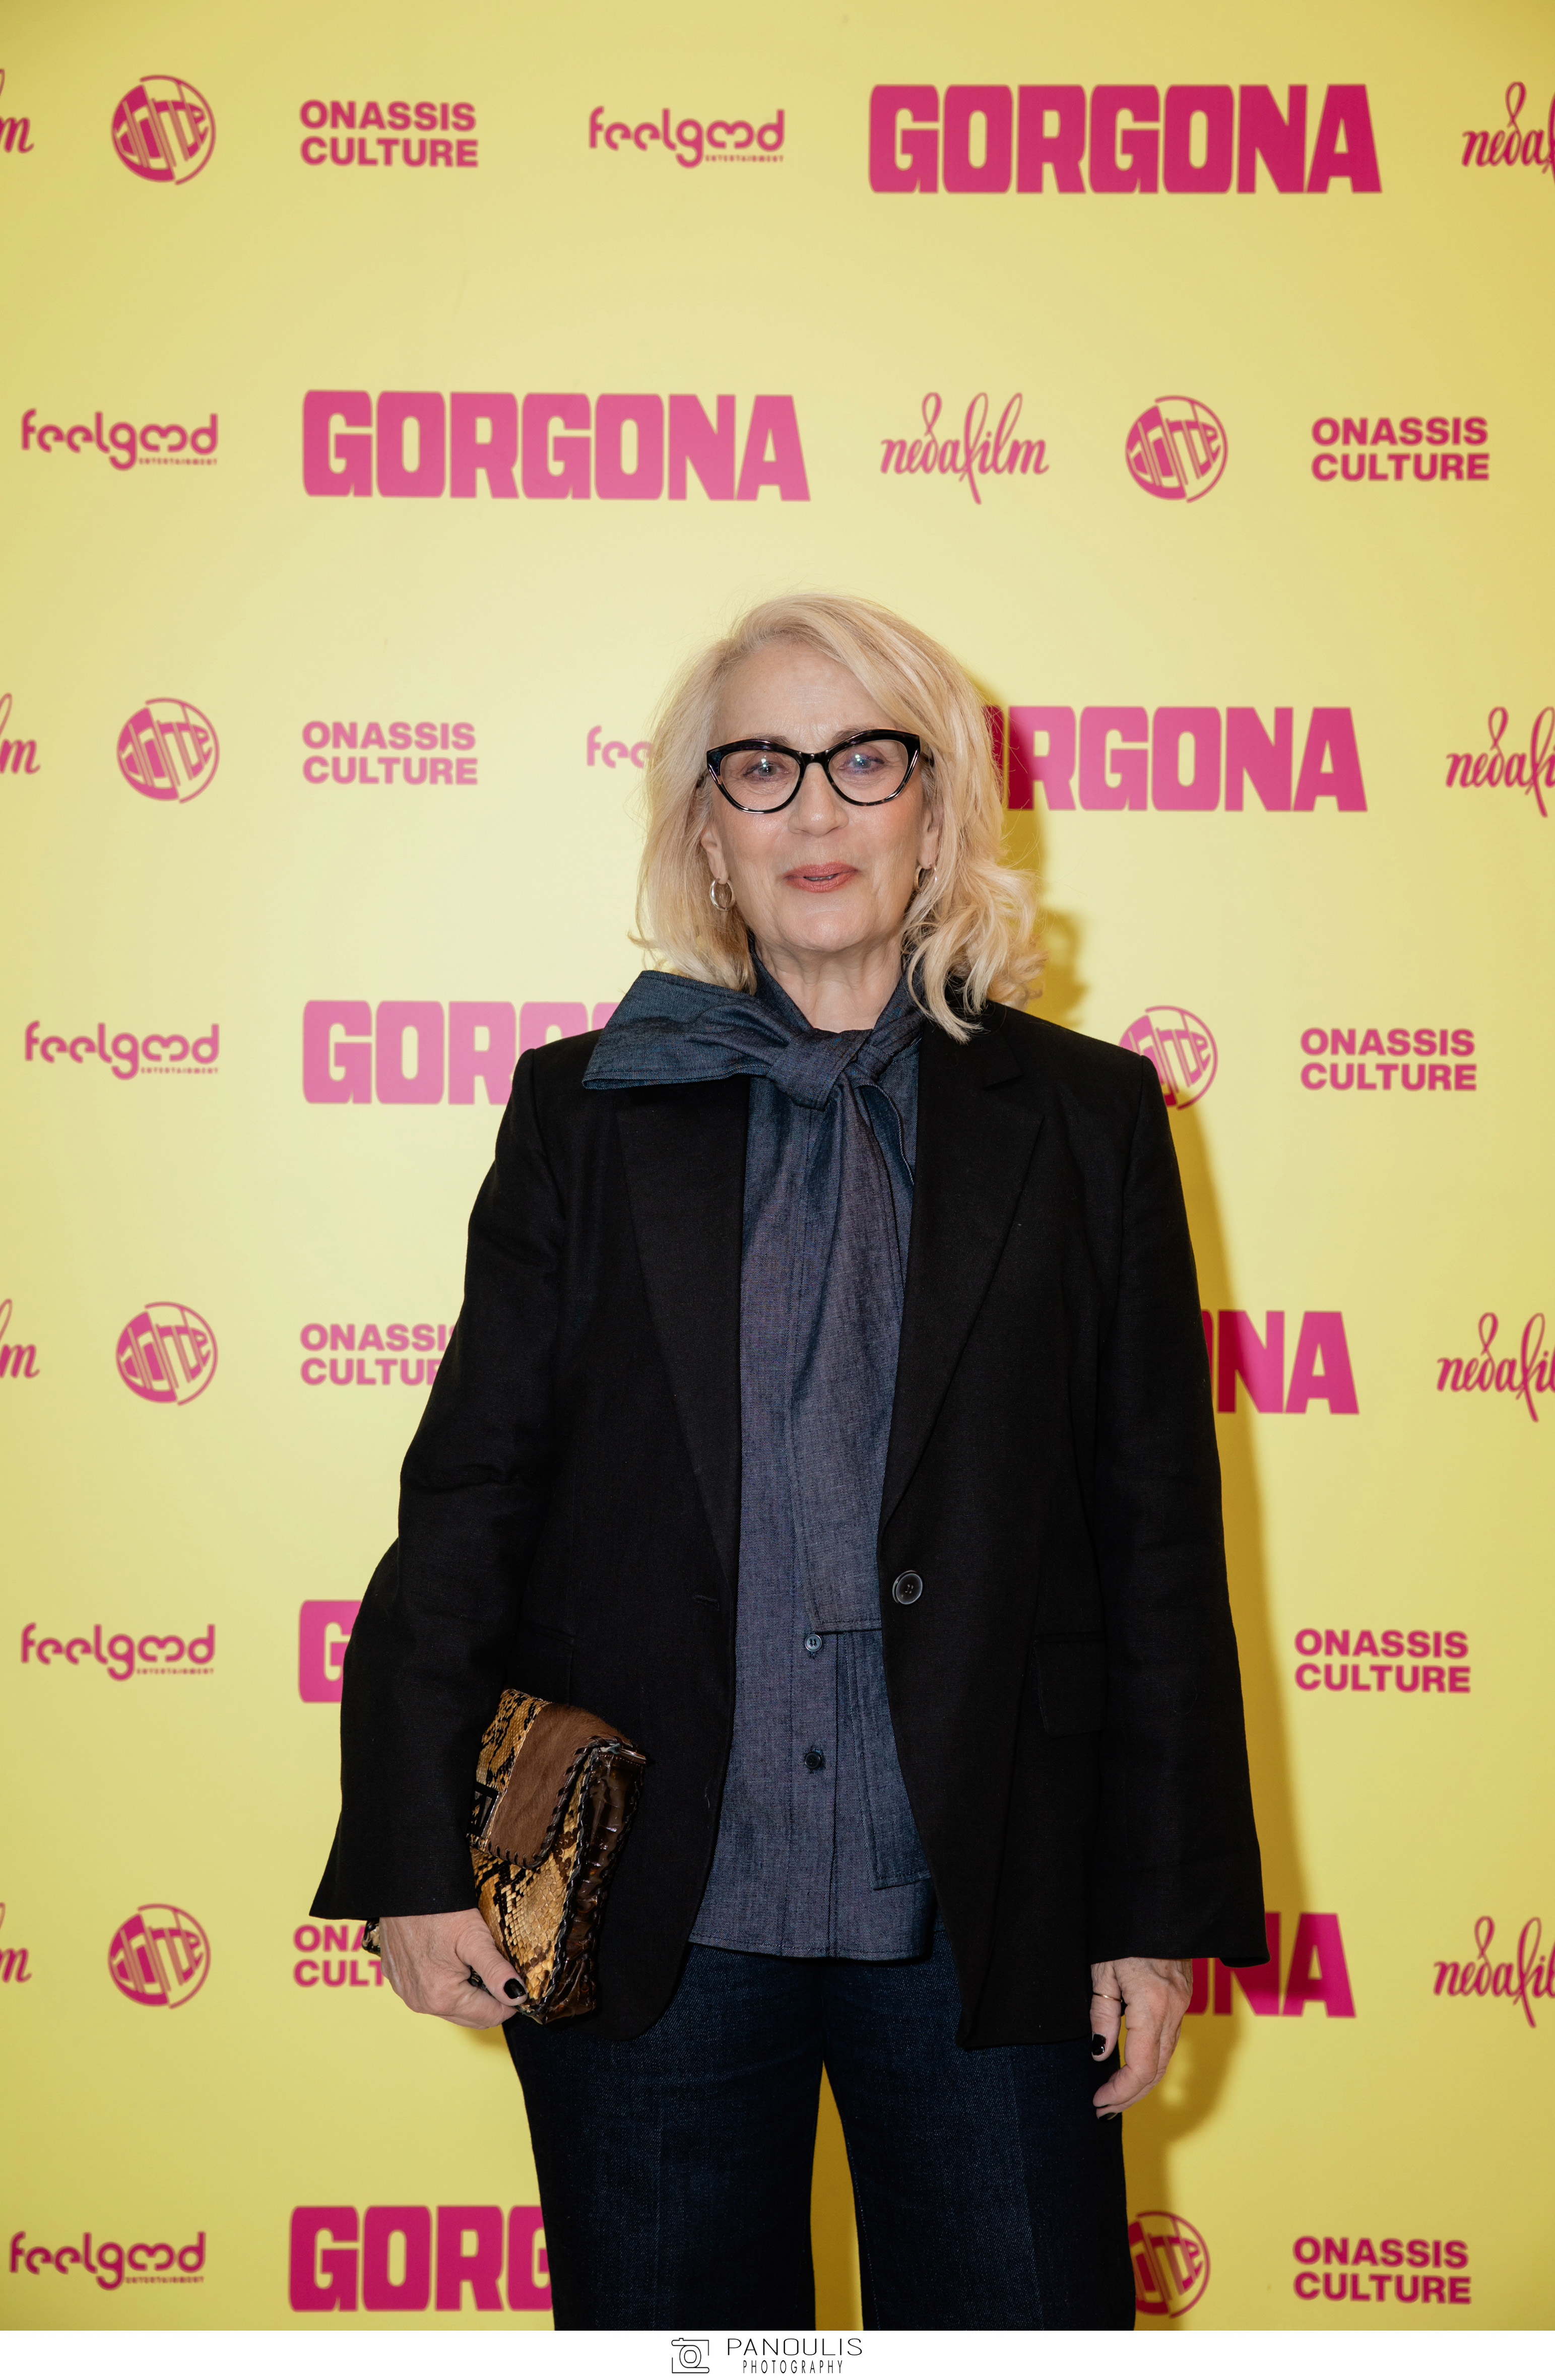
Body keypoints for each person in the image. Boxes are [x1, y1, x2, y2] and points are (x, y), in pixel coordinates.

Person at [312, 592, 1265, 2330]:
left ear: (939, 810)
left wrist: (1153, 1904)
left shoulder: (1090, 1120)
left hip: (994, 1907)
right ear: (707, 829)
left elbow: (1155, 1538)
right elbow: (468, 1497)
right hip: (654, 1913)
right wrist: (410, 1853)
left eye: (864, 761)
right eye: (761, 766)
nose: (815, 809)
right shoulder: (580, 1113)